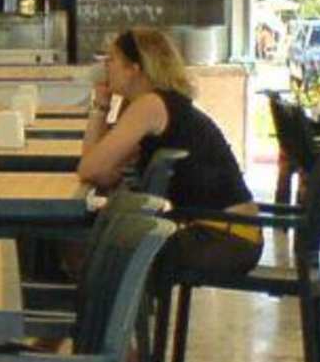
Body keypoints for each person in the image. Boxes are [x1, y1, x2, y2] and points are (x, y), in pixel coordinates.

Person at [77, 25, 260, 274]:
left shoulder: (151, 106)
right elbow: (98, 168)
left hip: (224, 237)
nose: (105, 66)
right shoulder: (156, 103)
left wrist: (99, 113)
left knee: (97, 247)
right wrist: (101, 105)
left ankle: (83, 297)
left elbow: (89, 168)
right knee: (98, 240)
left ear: (134, 68)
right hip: (228, 232)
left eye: (112, 59)